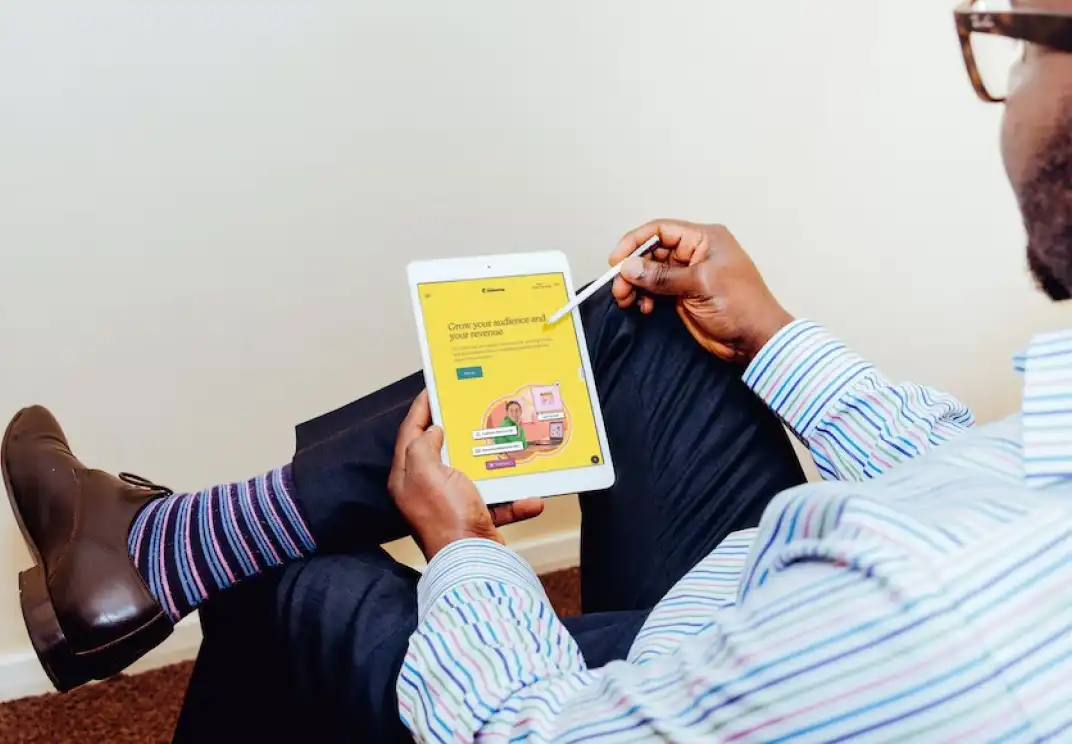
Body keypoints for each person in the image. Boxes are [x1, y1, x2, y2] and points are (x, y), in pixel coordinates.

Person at [3, 1, 1072, 740]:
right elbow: (974, 473)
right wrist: (773, 334)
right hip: (767, 603)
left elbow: (529, 732)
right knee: (643, 322)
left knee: (296, 583)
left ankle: (172, 553)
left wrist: (467, 551)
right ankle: (151, 553)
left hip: (674, 685)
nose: (1010, 87)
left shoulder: (943, 610)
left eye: (1019, 42)